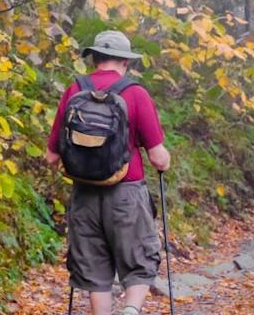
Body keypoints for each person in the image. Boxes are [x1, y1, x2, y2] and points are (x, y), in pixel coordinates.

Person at [46, 30, 171, 315]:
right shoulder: (135, 92)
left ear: (94, 59)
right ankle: (130, 310)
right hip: (126, 195)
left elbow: (51, 156)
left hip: (84, 197)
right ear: (125, 62)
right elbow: (157, 157)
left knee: (94, 270)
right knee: (139, 260)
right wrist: (165, 159)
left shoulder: (74, 90)